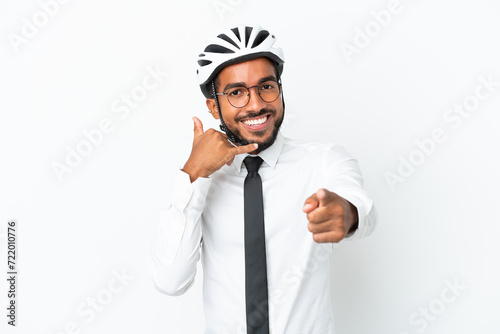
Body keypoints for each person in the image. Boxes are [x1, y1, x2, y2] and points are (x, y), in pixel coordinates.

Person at [148, 24, 377, 334]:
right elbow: (171, 280)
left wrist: (347, 215)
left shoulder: (323, 161)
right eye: (237, 93)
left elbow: (362, 208)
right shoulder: (201, 182)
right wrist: (193, 174)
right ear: (214, 106)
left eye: (266, 87)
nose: (256, 104)